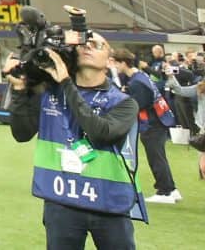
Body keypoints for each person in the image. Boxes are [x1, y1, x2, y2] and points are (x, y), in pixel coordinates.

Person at [8, 31, 145, 249]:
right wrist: (18, 90)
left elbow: (100, 133)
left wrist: (65, 82)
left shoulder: (124, 103)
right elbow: (21, 134)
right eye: (83, 44)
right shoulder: (50, 92)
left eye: (97, 45)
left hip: (109, 200)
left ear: (109, 60)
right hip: (62, 200)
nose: (88, 47)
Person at [112, 47, 181, 205]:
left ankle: (165, 191)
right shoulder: (141, 76)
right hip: (159, 120)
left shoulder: (137, 81)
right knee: (159, 157)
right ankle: (171, 188)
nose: (115, 66)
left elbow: (139, 104)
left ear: (123, 63)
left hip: (152, 123)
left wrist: (125, 99)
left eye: (116, 63)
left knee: (155, 158)